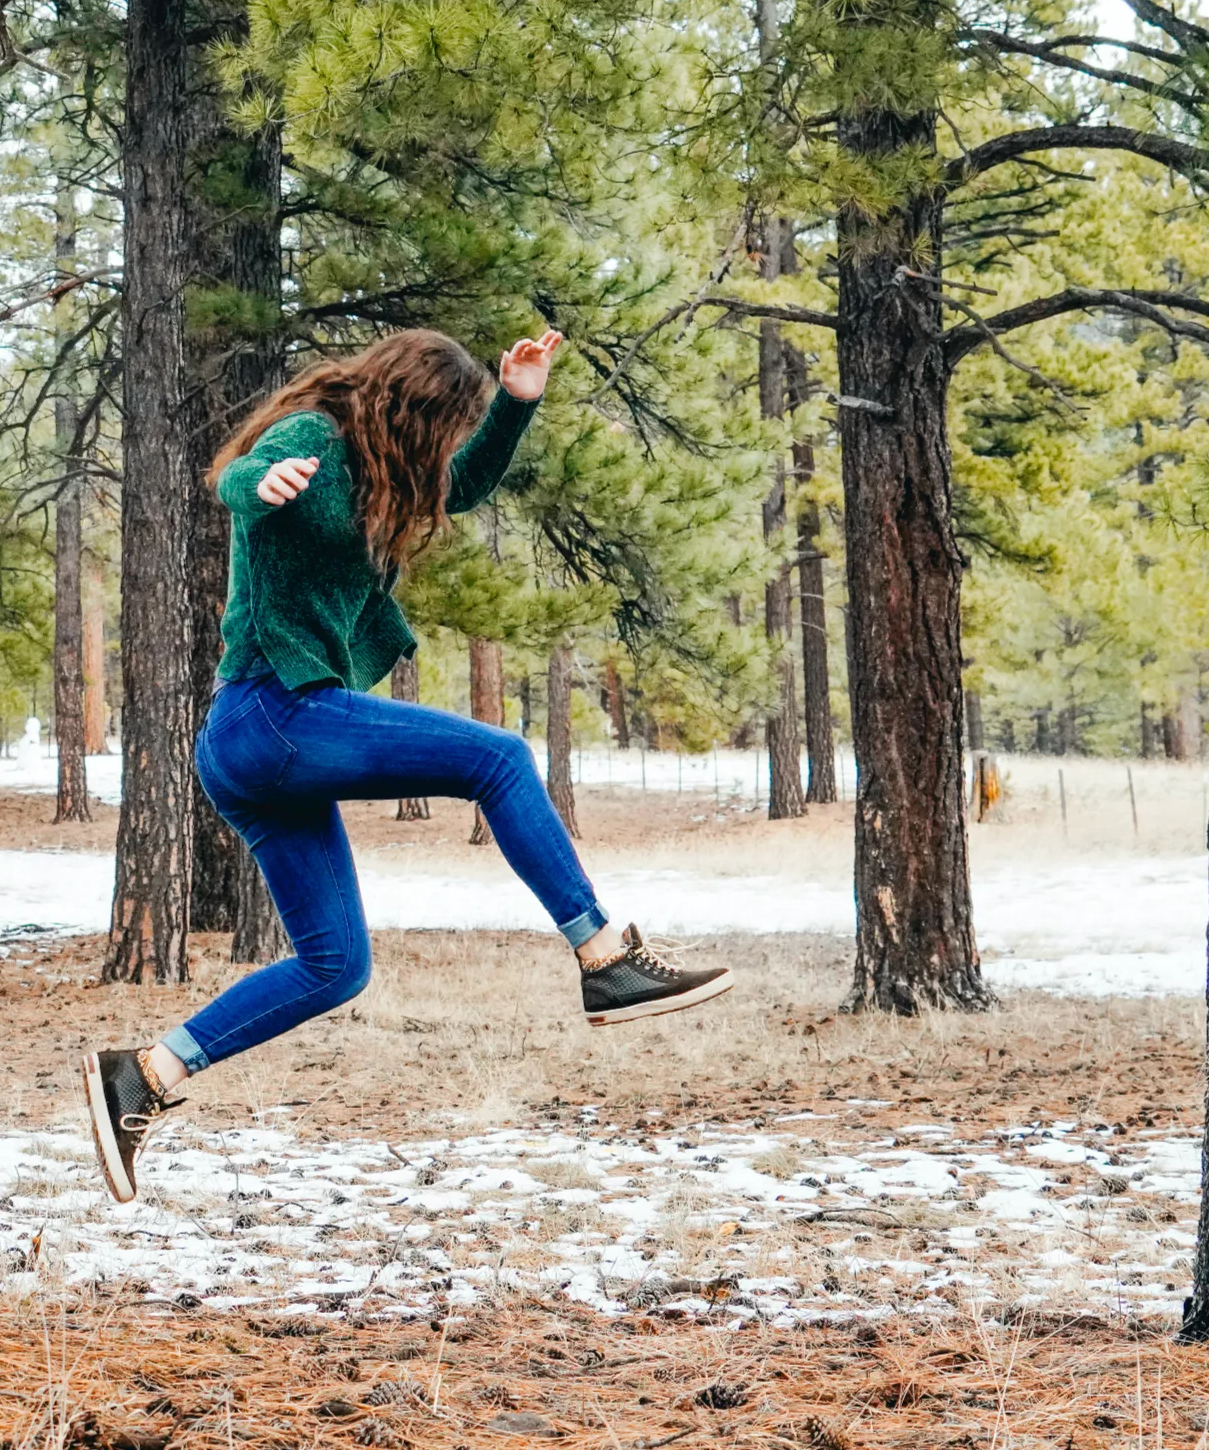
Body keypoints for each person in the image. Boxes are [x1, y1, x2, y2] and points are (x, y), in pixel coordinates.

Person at [81, 327, 733, 1203]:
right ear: (405, 404)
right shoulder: (314, 434)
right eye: (446, 424)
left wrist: (516, 405)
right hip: (275, 714)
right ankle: (604, 957)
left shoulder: (388, 470)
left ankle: (143, 1076)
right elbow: (238, 480)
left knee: (335, 966)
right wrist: (259, 486)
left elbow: (460, 487)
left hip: (250, 745)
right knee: (500, 760)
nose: (446, 445)